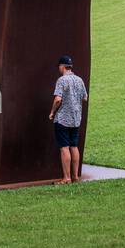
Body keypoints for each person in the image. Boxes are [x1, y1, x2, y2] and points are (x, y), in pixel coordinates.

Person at [48, 55, 88, 184]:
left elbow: (58, 99)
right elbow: (84, 98)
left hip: (63, 119)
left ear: (62, 66)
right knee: (74, 146)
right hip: (76, 119)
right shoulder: (79, 80)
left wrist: (52, 112)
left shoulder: (62, 80)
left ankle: (66, 178)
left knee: (64, 147)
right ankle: (75, 176)